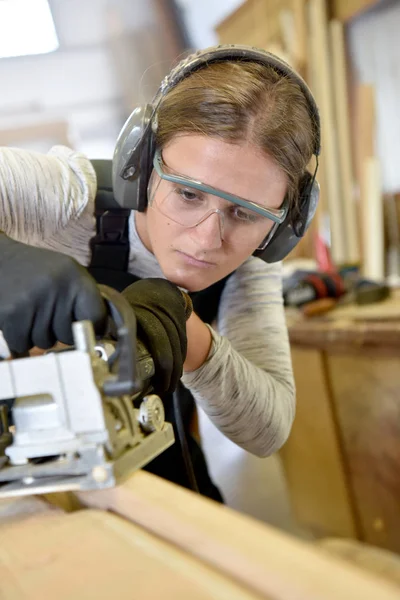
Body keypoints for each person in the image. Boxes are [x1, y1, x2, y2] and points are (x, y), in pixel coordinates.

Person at [0, 45, 320, 501]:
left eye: (244, 213)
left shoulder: (251, 267)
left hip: (149, 463)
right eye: (189, 195)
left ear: (285, 223)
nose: (208, 239)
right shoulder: (66, 196)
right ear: (141, 165)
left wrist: (186, 335)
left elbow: (266, 431)